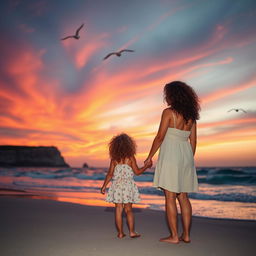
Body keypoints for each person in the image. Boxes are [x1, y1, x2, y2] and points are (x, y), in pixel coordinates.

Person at [144, 81, 200, 244]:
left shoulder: (168, 112)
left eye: (167, 94)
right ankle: (186, 236)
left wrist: (149, 157)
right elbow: (194, 141)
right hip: (186, 155)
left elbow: (160, 137)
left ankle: (174, 236)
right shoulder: (192, 116)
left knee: (170, 197)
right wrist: (189, 159)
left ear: (172, 95)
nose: (165, 97)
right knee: (183, 196)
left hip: (171, 155)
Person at [101, 133, 152, 239]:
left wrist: (104, 186)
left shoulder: (114, 159)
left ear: (114, 146)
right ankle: (132, 232)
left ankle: (120, 233)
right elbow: (137, 172)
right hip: (128, 186)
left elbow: (110, 174)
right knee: (129, 210)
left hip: (117, 186)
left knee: (118, 210)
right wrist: (146, 167)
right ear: (130, 145)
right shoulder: (130, 158)